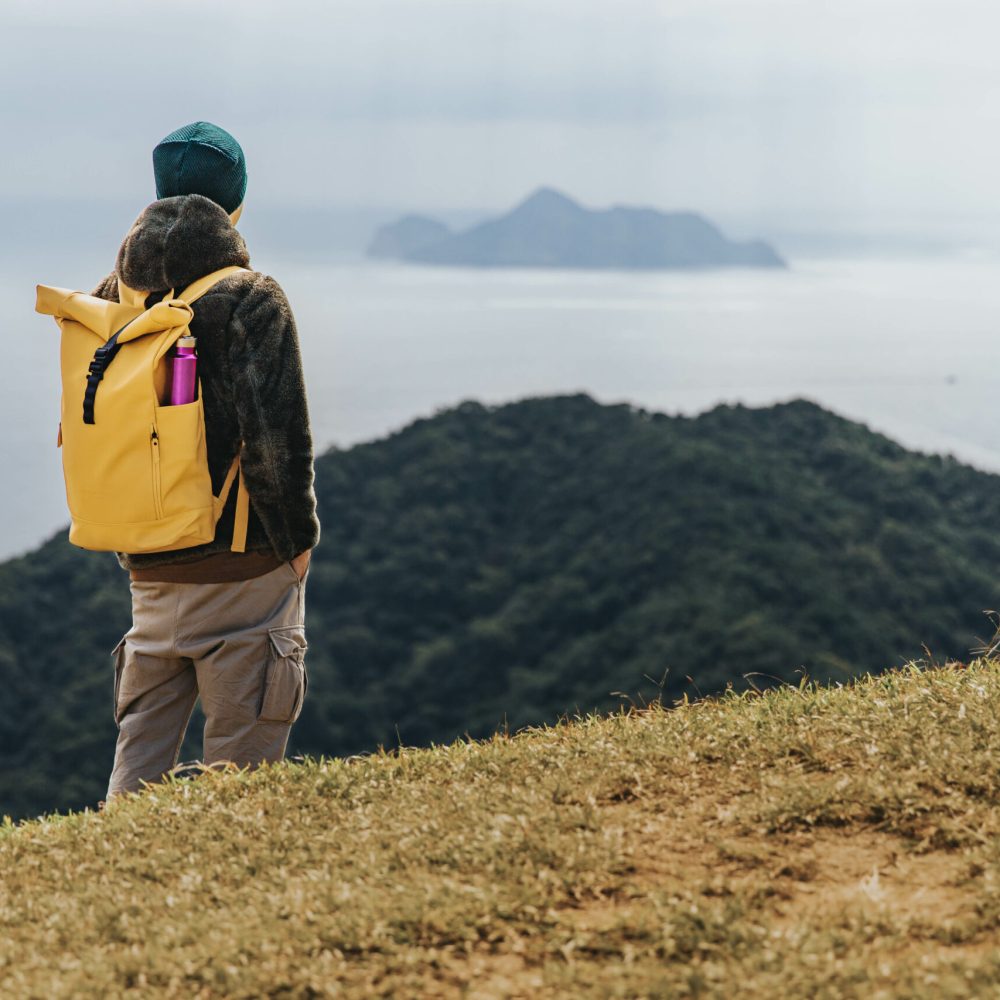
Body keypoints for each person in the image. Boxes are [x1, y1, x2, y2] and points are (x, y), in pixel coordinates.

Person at [91, 122, 321, 803]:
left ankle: (110, 894)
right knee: (240, 787)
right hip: (245, 573)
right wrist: (297, 545)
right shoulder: (250, 298)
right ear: (235, 206)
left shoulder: (112, 299)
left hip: (149, 575)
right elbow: (278, 444)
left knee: (134, 783)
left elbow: (104, 439)